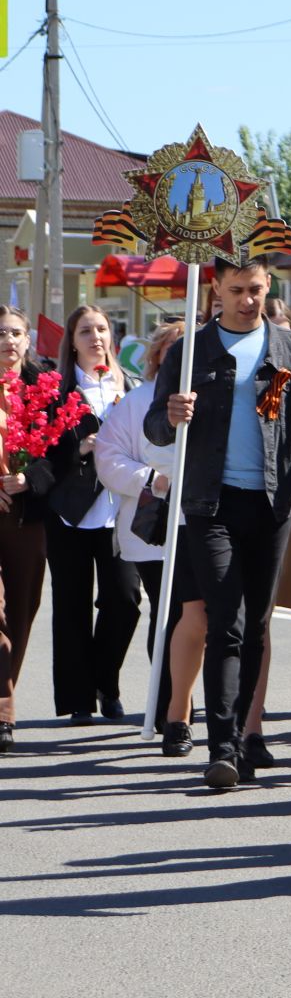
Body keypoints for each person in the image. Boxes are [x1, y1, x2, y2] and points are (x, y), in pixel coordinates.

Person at [147, 263, 291, 788]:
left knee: (257, 626)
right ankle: (221, 746)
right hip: (211, 504)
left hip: (271, 504)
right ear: (216, 291)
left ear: (268, 287)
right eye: (236, 291)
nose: (247, 300)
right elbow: (154, 426)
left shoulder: (290, 349)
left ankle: (249, 738)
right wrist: (172, 414)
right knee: (225, 621)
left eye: (255, 290)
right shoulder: (191, 351)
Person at [94, 324, 201, 756]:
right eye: (174, 351)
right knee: (169, 612)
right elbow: (108, 456)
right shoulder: (139, 402)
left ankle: (176, 704)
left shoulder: (206, 401)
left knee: (193, 615)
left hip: (199, 523)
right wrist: (151, 479)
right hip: (152, 528)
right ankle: (169, 705)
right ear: (158, 357)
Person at [40, 306, 138, 726]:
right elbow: (39, 453)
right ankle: (79, 699)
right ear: (72, 341)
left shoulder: (129, 387)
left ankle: (106, 683)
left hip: (121, 511)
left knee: (125, 600)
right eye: (85, 331)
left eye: (101, 329)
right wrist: (77, 449)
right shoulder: (56, 390)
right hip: (70, 512)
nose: (96, 337)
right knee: (71, 605)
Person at [0, 306, 50, 751]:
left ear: (28, 339)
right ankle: (3, 715)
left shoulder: (44, 388)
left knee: (20, 610)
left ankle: (3, 691)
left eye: (15, 333)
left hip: (26, 517)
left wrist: (30, 478)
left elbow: (64, 458)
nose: (8, 341)